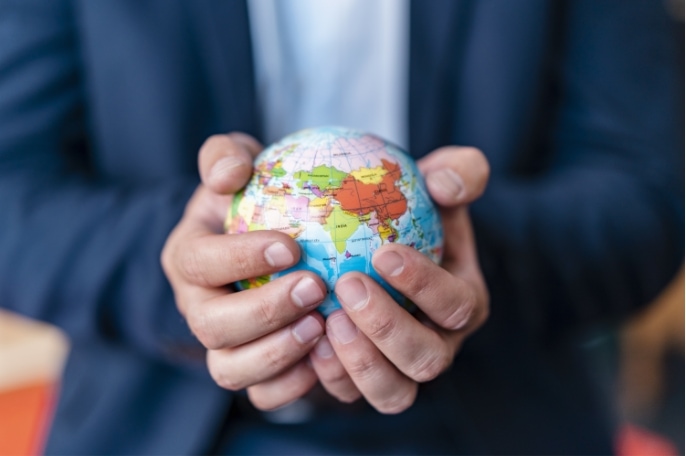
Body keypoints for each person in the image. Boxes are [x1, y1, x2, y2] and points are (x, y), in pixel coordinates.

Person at [0, 0, 682, 454]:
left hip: (496, 419)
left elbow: (654, 187)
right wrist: (189, 272)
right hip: (162, 424)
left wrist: (471, 257)